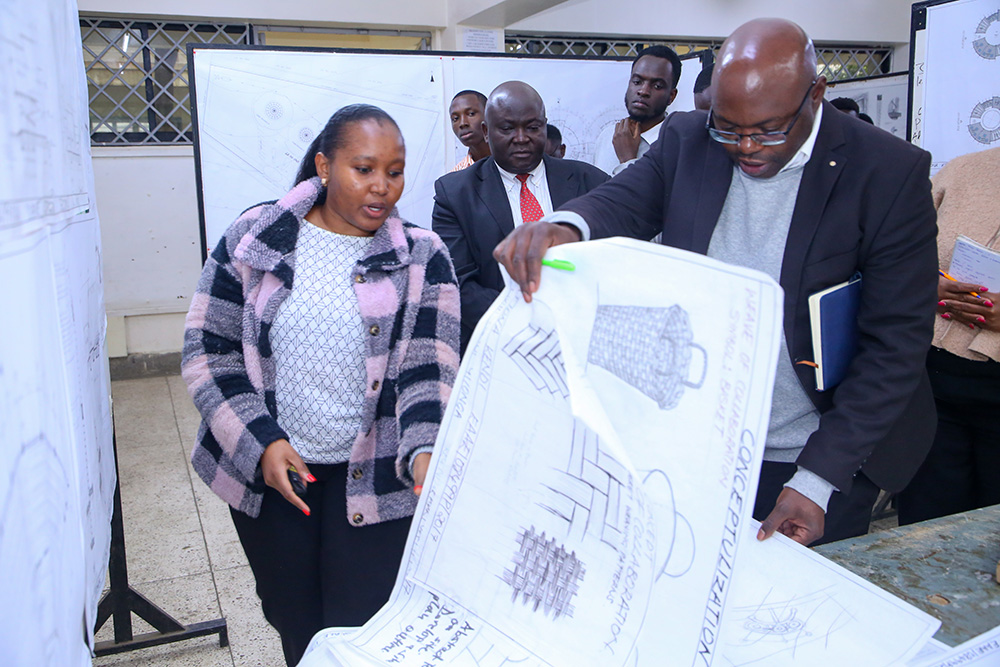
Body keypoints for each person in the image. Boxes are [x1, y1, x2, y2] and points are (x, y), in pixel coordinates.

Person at [494, 18, 938, 547]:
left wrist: (818, 481)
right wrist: (563, 227)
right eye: (728, 128)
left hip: (819, 449)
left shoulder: (887, 172)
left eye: (768, 129)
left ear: (816, 94)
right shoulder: (690, 137)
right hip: (701, 443)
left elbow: (895, 345)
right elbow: (624, 200)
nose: (746, 146)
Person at [182, 104, 461, 665]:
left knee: (358, 628)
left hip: (377, 477)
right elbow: (208, 352)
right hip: (275, 477)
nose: (382, 187)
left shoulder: (422, 256)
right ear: (325, 166)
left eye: (396, 170)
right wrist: (261, 441)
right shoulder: (255, 238)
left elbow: (428, 368)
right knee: (293, 618)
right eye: (364, 169)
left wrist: (425, 447)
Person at [432, 81, 608, 352]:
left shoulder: (590, 182)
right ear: (486, 132)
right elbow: (458, 285)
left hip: (583, 340)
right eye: (507, 128)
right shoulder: (454, 194)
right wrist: (533, 321)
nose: (522, 137)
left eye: (533, 127)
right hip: (500, 346)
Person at [897, 146, 1000, 525]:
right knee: (925, 529)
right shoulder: (963, 171)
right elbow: (898, 251)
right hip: (934, 389)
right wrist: (930, 286)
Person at [593, 45, 682, 176]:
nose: (643, 91)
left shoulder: (676, 146)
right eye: (637, 82)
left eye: (657, 86)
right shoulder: (607, 136)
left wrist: (628, 160)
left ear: (671, 96)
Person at [449, 89, 491, 171]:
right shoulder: (456, 177)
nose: (463, 123)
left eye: (471, 114)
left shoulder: (516, 161)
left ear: (489, 114)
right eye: (455, 118)